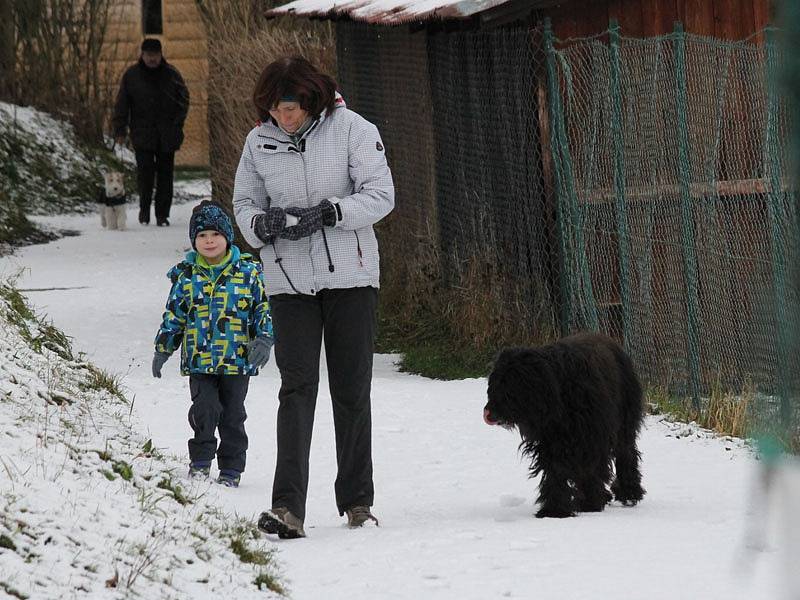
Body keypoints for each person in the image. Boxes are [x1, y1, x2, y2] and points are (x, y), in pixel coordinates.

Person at [233, 56, 394, 538]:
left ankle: (358, 502)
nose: (283, 119)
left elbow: (381, 194)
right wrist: (262, 226)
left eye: (291, 109)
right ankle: (288, 509)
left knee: (350, 389)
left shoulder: (353, 130)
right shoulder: (257, 141)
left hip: (351, 276)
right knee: (296, 389)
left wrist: (329, 213)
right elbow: (244, 203)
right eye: (276, 110)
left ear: (311, 99)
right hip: (287, 281)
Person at [152, 201, 274, 488]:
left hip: (237, 360)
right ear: (194, 240)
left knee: (233, 415)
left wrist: (265, 338)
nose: (209, 241)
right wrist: (163, 348)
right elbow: (175, 315)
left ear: (227, 237)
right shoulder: (186, 276)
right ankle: (201, 460)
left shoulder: (248, 272)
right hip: (200, 359)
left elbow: (263, 309)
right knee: (205, 409)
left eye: (215, 235)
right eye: (202, 236)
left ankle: (231, 467)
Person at [112, 37, 189, 227]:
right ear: (142, 55)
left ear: (161, 54)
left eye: (155, 55)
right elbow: (122, 104)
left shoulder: (172, 75)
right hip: (142, 134)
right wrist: (120, 129)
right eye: (148, 55)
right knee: (144, 175)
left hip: (167, 134)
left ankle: (162, 214)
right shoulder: (131, 76)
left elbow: (184, 101)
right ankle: (144, 210)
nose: (152, 59)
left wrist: (177, 123)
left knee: (165, 176)